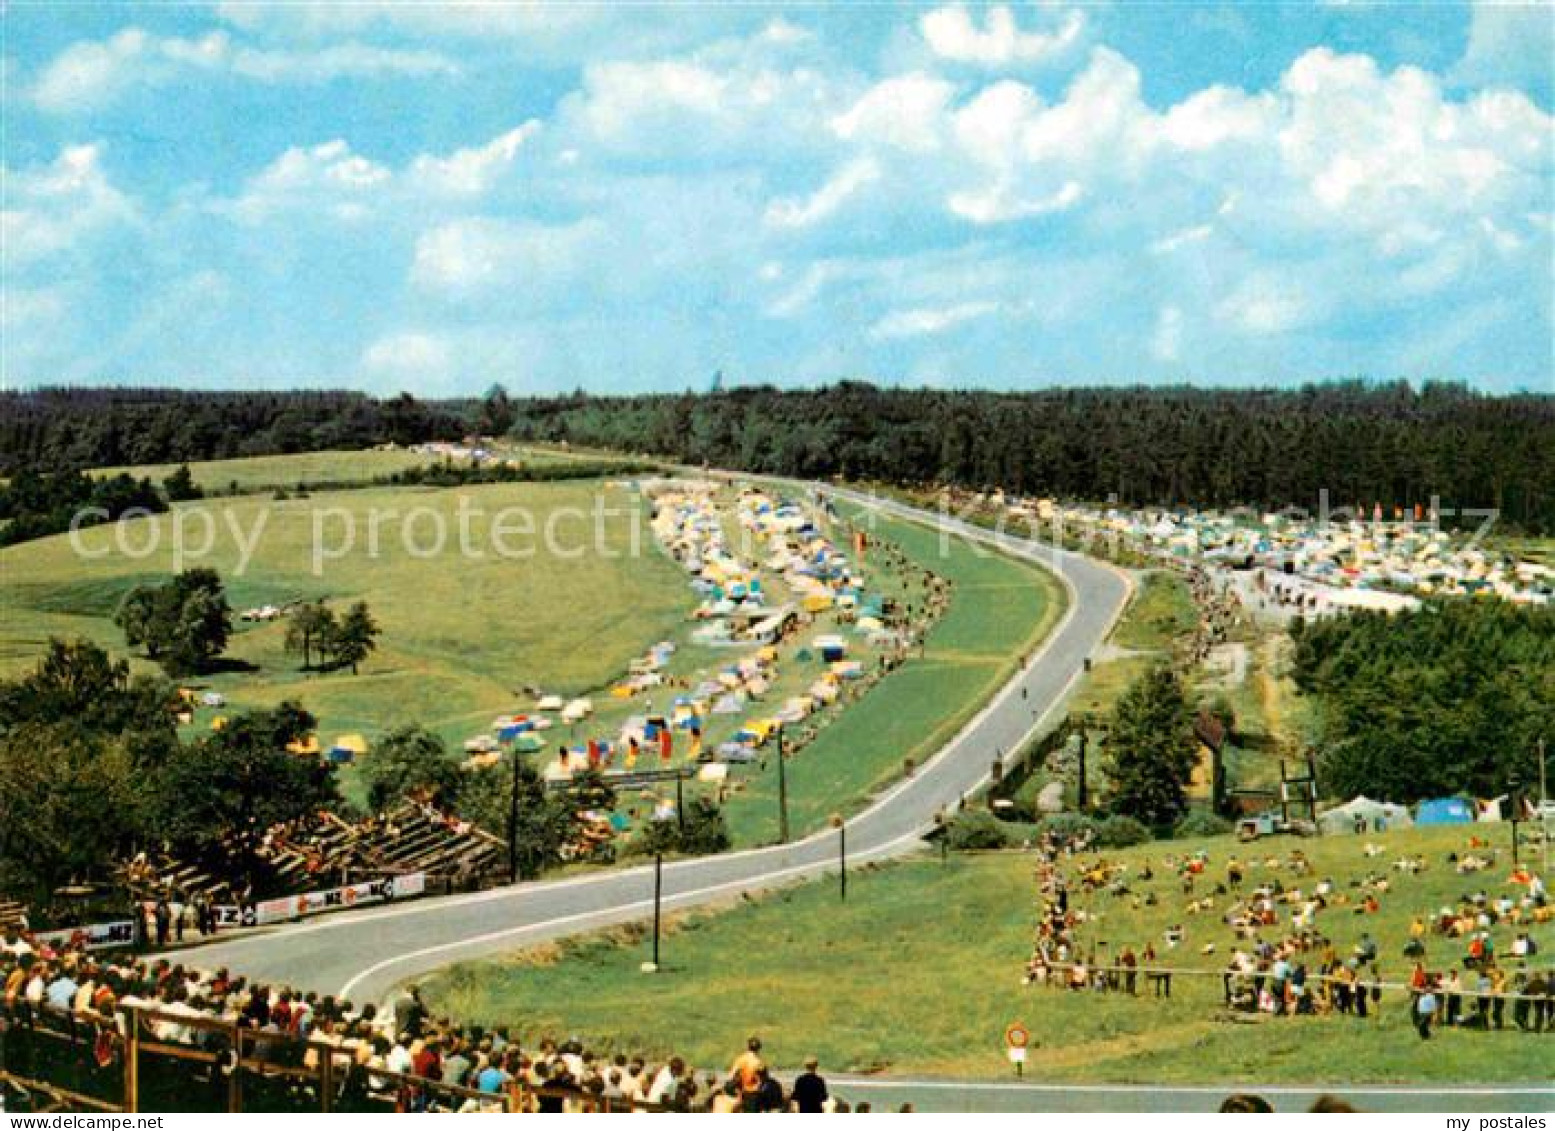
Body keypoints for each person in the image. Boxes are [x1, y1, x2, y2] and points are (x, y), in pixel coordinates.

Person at [730, 1036, 765, 1109]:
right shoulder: (759, 1063)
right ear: (759, 1048)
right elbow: (764, 1080)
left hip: (741, 1093)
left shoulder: (740, 1059)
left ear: (748, 1046)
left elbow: (731, 1075)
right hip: (754, 1093)